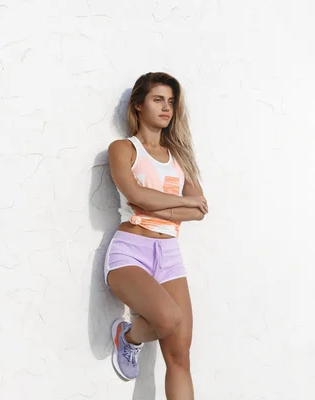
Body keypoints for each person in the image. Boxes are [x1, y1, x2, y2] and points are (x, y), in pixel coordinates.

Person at [105, 72, 208, 399]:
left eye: (172, 102)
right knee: (168, 319)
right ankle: (129, 337)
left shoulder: (180, 157)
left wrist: (156, 205)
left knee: (180, 356)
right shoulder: (123, 148)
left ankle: (132, 338)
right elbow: (134, 194)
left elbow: (200, 209)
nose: (167, 108)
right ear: (137, 106)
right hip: (130, 251)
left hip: (169, 255)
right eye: (158, 99)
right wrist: (180, 202)